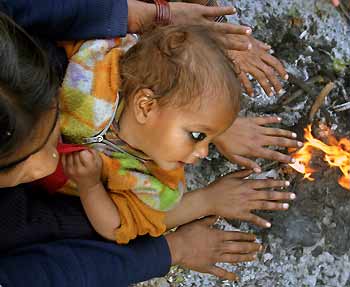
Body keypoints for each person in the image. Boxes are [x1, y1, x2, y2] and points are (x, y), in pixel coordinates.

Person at [0, 10, 259, 284]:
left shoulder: (155, 183)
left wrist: (90, 187)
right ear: (145, 105)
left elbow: (114, 228)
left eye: (208, 138)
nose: (205, 153)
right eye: (197, 135)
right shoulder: (98, 68)